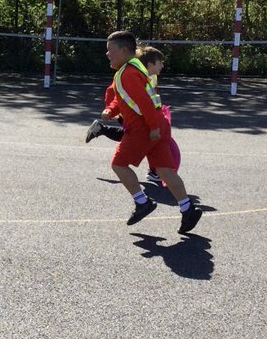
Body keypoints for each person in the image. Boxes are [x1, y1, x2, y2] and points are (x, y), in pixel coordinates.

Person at [104, 32, 202, 232]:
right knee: (165, 170)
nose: (107, 54)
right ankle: (188, 208)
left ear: (124, 51)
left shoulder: (127, 73)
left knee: (119, 164)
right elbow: (122, 97)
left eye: (110, 50)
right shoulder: (133, 68)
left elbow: (144, 102)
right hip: (159, 122)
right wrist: (111, 110)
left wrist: (153, 129)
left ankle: (142, 202)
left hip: (145, 127)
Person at [86, 45, 169, 184]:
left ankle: (155, 171)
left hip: (142, 116)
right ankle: (153, 174)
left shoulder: (150, 76)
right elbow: (120, 97)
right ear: (150, 64)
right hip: (132, 114)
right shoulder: (130, 75)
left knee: (136, 139)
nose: (163, 65)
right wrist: (110, 110)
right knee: (131, 140)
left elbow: (149, 100)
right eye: (160, 62)